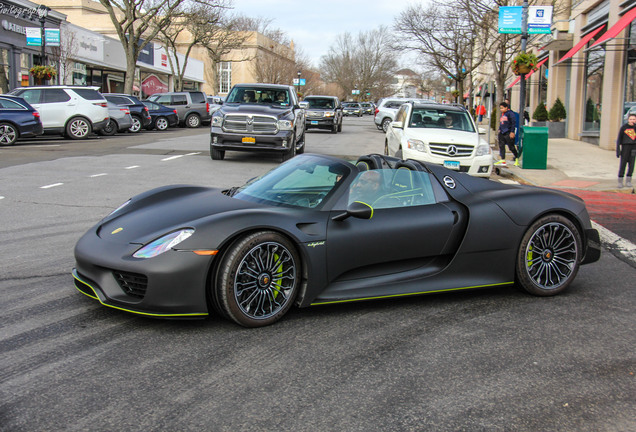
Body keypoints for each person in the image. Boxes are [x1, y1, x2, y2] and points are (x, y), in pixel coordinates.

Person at [496, 102, 520, 166]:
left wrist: (512, 132)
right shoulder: (503, 114)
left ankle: (517, 158)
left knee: (511, 147)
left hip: (508, 132)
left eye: (502, 108)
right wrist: (499, 129)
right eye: (500, 108)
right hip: (502, 132)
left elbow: (513, 123)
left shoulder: (510, 114)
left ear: (506, 107)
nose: (501, 109)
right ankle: (502, 159)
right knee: (501, 146)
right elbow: (502, 123)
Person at [616, 113, 636, 188]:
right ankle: (620, 181)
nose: (632, 121)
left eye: (634, 119)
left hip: (633, 148)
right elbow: (619, 139)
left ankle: (628, 180)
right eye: (631, 119)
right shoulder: (624, 128)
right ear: (628, 119)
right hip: (625, 148)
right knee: (623, 164)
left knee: (631, 165)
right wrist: (618, 150)